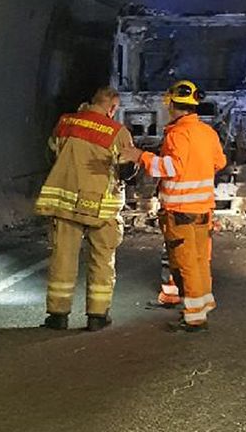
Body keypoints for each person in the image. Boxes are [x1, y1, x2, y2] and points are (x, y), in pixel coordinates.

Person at [121, 80, 226, 332]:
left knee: (185, 263)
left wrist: (140, 156)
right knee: (200, 260)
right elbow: (219, 162)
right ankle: (204, 303)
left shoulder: (177, 134)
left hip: (180, 211)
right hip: (203, 209)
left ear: (171, 104)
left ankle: (194, 318)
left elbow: (171, 168)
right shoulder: (207, 132)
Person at [35, 87, 134, 331]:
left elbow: (50, 154)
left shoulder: (65, 122)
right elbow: (127, 170)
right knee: (102, 259)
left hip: (65, 203)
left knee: (63, 258)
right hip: (101, 207)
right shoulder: (117, 132)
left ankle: (58, 316)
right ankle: (97, 317)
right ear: (112, 107)